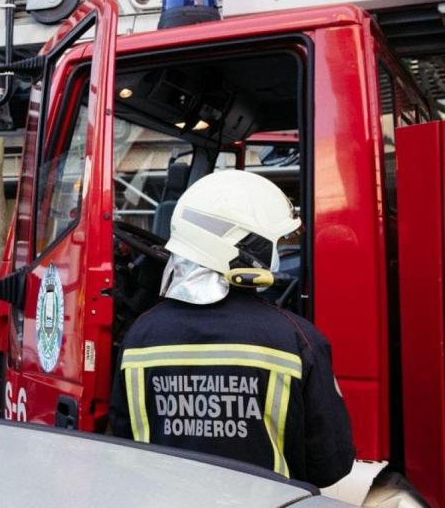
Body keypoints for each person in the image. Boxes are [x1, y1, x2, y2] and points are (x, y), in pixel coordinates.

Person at [109, 170, 355, 487]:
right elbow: (330, 466)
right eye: (275, 242)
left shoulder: (139, 337)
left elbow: (122, 445)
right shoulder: (299, 340)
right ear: (243, 247)